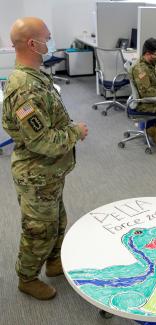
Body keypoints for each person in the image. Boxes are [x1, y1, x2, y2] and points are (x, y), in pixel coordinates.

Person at [2, 17, 88, 300]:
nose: (50, 43)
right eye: (47, 38)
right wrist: (75, 132)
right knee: (38, 230)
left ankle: (54, 263)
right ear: (32, 43)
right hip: (36, 174)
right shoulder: (23, 88)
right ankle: (26, 278)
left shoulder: (36, 76)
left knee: (57, 222)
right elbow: (42, 141)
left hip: (50, 173)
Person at [131, 38, 156, 144]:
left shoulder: (151, 64)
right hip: (144, 103)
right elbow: (146, 92)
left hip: (153, 99)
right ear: (148, 54)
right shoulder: (140, 69)